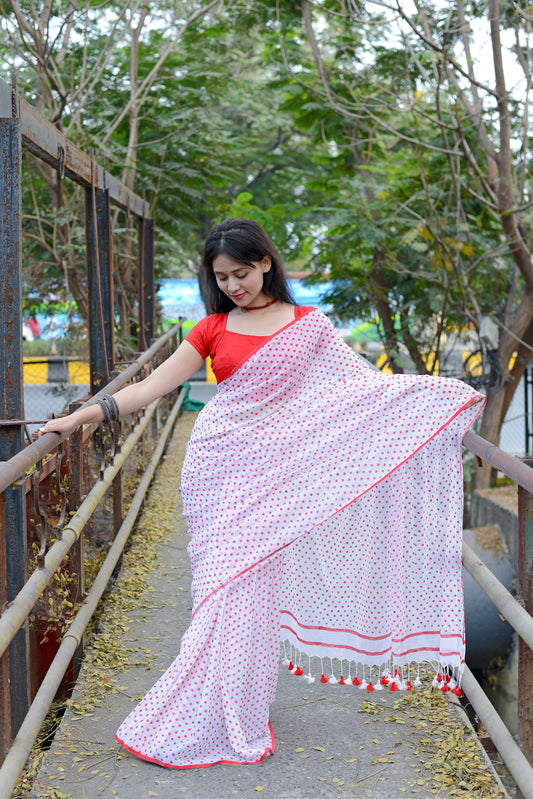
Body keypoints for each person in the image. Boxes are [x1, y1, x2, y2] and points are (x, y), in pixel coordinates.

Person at [39, 218, 485, 769]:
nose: (232, 286)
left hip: (278, 482)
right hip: (218, 472)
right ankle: (204, 708)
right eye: (221, 277)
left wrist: (438, 398)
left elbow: (362, 391)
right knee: (218, 592)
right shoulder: (212, 329)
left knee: (249, 598)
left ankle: (238, 709)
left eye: (241, 273)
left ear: (267, 263)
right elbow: (151, 386)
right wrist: (83, 416)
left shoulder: (309, 326)